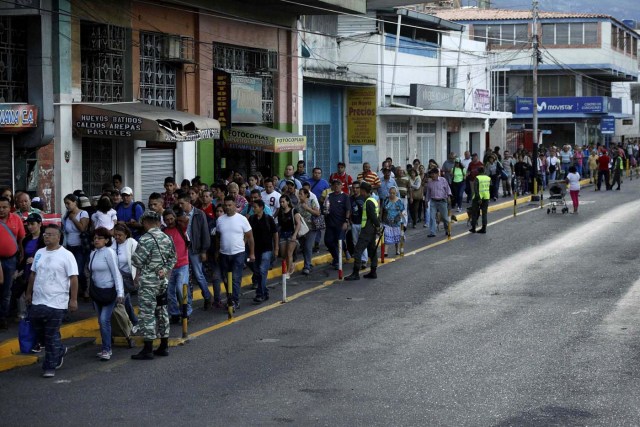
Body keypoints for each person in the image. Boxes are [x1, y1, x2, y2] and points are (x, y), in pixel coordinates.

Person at [25, 224, 78, 377]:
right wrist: (28, 293)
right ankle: (59, 350)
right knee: (39, 332)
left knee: (51, 334)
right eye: (45, 234)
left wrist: (73, 300)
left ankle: (50, 366)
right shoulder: (39, 253)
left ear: (58, 237)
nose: (46, 236)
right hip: (38, 301)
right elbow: (33, 275)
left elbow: (73, 279)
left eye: (50, 234)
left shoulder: (67, 255)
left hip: (57, 302)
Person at [130, 210, 177, 360]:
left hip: (149, 282)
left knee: (147, 313)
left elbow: (137, 261)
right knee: (162, 312)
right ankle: (164, 346)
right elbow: (173, 258)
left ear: (145, 222)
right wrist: (164, 270)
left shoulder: (145, 239)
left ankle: (148, 348)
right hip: (162, 281)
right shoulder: (167, 237)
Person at [88, 227, 124, 361]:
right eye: (95, 238)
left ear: (107, 240)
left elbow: (116, 273)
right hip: (97, 293)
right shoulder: (93, 254)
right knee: (101, 321)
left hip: (109, 292)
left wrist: (120, 292)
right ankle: (106, 345)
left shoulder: (109, 252)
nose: (96, 240)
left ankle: (107, 349)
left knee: (104, 320)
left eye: (99, 238)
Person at [216, 196, 255, 311]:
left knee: (235, 278)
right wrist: (217, 251)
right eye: (226, 205)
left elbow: (250, 237)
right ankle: (230, 298)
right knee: (226, 279)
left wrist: (252, 253)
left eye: (230, 205)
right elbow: (218, 237)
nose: (228, 207)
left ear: (235, 205)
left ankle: (235, 301)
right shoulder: (220, 220)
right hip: (224, 254)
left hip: (238, 253)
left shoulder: (242, 219)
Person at [176, 192, 212, 310]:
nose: (180, 206)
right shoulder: (178, 215)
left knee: (198, 274)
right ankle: (187, 302)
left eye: (182, 203)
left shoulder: (199, 214)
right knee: (185, 277)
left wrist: (204, 250)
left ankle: (207, 296)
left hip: (195, 249)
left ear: (188, 202)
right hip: (183, 250)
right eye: (179, 203)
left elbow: (205, 233)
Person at [12, 213, 45, 329]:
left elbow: (50, 255)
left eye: (33, 224)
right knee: (27, 294)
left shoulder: (45, 239)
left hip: (41, 272)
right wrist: (18, 270)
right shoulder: (26, 239)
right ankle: (29, 319)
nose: (30, 227)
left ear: (40, 224)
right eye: (28, 224)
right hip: (27, 271)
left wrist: (36, 259)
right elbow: (24, 257)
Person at [344, 182, 381, 281]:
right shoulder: (373, 200)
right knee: (372, 250)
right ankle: (373, 272)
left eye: (360, 189)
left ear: (363, 190)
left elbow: (373, 216)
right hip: (371, 229)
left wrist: (378, 226)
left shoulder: (368, 202)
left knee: (358, 250)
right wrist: (377, 227)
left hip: (367, 230)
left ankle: (355, 273)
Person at [162, 209, 191, 323]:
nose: (170, 221)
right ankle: (174, 313)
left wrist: (177, 218)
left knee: (180, 288)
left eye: (171, 218)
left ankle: (186, 311)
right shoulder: (163, 232)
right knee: (169, 292)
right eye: (167, 220)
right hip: (169, 267)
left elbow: (187, 219)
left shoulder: (181, 227)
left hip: (182, 264)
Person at [0, 196, 24, 329]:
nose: (1, 210)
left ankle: (3, 318)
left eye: (4, 207)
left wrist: (22, 254)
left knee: (7, 290)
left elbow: (21, 238)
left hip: (10, 260)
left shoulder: (16, 219)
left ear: (10, 208)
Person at [62, 194, 91, 301]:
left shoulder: (83, 213)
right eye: (65, 204)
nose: (67, 206)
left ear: (75, 202)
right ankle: (75, 291)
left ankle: (85, 290)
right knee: (70, 270)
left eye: (68, 203)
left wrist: (73, 219)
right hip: (69, 246)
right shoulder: (67, 215)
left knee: (79, 270)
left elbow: (82, 228)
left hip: (80, 246)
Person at [248, 200, 278, 303]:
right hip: (255, 250)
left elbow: (275, 234)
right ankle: (264, 292)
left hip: (267, 249)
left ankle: (259, 294)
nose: (253, 209)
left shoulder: (269, 219)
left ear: (261, 207)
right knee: (258, 272)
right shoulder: (252, 219)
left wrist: (276, 249)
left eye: (255, 207)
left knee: (262, 270)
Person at [112, 224, 139, 331]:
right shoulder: (113, 245)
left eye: (120, 235)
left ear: (126, 235)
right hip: (118, 278)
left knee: (123, 300)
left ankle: (128, 324)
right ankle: (132, 322)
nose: (117, 237)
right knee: (124, 300)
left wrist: (137, 276)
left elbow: (139, 261)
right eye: (115, 235)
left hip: (128, 278)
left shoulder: (132, 243)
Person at [323, 179, 351, 269]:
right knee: (328, 241)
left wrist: (346, 221)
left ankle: (338, 261)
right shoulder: (329, 196)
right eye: (334, 184)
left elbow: (348, 210)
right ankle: (336, 257)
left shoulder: (345, 197)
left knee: (339, 241)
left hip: (341, 224)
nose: (336, 186)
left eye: (338, 184)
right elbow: (325, 208)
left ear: (341, 186)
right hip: (330, 224)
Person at [277, 195, 302, 278]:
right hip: (283, 234)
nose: (282, 204)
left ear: (288, 202)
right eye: (280, 202)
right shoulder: (280, 212)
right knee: (283, 255)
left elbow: (298, 223)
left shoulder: (294, 211)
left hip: (291, 233)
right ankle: (290, 266)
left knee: (289, 253)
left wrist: (295, 235)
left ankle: (287, 272)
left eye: (283, 202)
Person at [297, 188, 320, 276]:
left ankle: (306, 266)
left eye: (301, 194)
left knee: (308, 246)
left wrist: (307, 208)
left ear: (306, 195)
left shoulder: (311, 201)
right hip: (302, 229)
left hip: (311, 227)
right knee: (303, 247)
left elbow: (317, 213)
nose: (299, 196)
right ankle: (308, 263)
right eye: (299, 194)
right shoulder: (298, 204)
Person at [425, 168, 452, 238]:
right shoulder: (430, 183)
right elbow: (428, 193)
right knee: (431, 217)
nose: (432, 175)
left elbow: (448, 189)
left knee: (445, 218)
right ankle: (432, 232)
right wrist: (426, 201)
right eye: (431, 174)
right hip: (433, 201)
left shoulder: (443, 180)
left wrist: (449, 196)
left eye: (434, 174)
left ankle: (447, 230)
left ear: (437, 174)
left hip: (442, 201)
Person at [382, 187, 405, 255]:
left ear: (396, 193)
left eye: (393, 193)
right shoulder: (386, 200)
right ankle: (385, 251)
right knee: (386, 236)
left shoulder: (399, 201)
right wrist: (381, 218)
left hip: (396, 221)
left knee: (397, 237)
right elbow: (383, 209)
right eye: (390, 193)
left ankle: (397, 250)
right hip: (387, 221)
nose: (392, 194)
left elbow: (402, 210)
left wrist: (399, 217)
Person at [470, 167, 490, 234]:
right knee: (484, 213)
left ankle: (473, 228)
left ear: (478, 171)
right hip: (486, 197)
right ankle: (484, 229)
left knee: (474, 213)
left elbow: (475, 189)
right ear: (484, 171)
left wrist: (478, 198)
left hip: (477, 198)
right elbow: (490, 186)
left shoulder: (477, 178)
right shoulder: (488, 178)